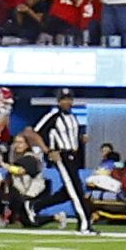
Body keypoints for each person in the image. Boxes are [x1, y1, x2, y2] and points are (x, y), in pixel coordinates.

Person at [34, 89, 95, 234]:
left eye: (69, 99)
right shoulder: (53, 116)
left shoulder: (73, 117)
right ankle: (84, 224)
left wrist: (81, 139)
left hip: (74, 156)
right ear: (58, 101)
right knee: (76, 191)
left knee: (70, 191)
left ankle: (35, 206)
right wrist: (48, 151)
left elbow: (73, 135)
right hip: (61, 156)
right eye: (64, 99)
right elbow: (35, 133)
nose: (67, 102)